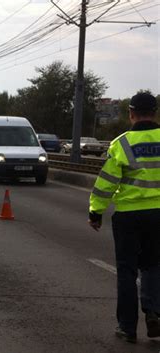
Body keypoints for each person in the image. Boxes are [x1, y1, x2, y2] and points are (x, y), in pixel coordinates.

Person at [88, 92, 160, 343]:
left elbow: (106, 182)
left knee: (128, 271)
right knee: (154, 265)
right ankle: (153, 312)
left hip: (129, 216)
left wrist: (96, 211)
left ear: (131, 114)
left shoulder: (121, 144)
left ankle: (127, 327)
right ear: (155, 112)